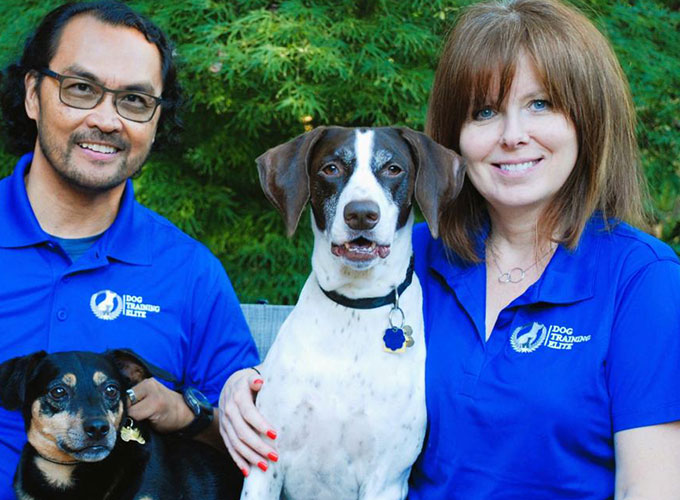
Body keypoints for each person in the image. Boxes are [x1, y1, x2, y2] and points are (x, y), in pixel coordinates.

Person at [218, 0, 680, 498]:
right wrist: (242, 388)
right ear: (456, 133)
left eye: (540, 104)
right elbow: (321, 363)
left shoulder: (642, 280)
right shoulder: (405, 260)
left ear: (586, 118)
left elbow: (651, 487)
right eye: (485, 111)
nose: (512, 135)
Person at [0, 2, 258, 499]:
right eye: (81, 89)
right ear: (32, 94)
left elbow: (259, 451)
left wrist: (188, 416)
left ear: (157, 119)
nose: (107, 119)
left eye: (136, 100)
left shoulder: (189, 273)